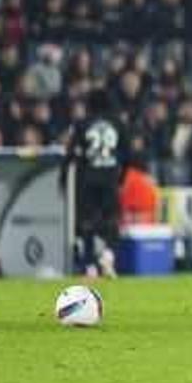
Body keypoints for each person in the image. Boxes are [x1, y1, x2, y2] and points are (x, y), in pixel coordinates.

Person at [64, 89, 127, 278]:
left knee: (87, 224)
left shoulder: (82, 124)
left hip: (88, 179)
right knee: (112, 220)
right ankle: (108, 255)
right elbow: (127, 153)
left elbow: (71, 153)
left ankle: (90, 265)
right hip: (110, 178)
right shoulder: (118, 124)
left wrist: (64, 178)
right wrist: (120, 178)